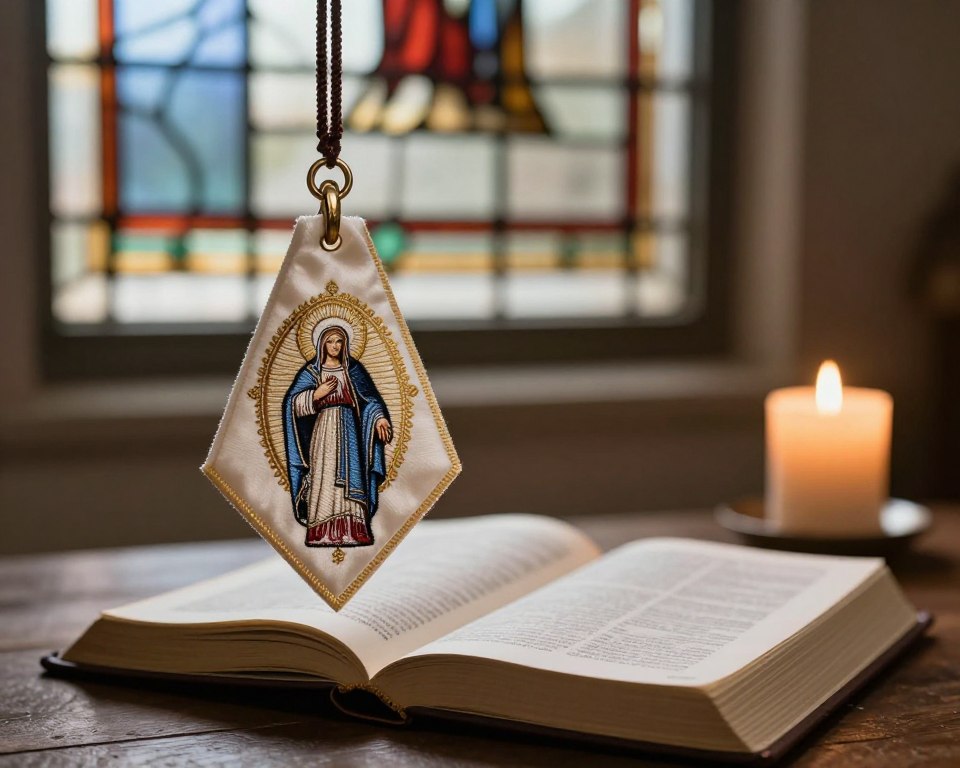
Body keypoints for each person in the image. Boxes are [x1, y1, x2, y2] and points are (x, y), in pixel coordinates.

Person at [282, 321, 392, 548]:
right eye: (330, 342)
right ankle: (322, 531)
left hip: (350, 430)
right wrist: (315, 394)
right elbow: (292, 404)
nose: (334, 346)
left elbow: (370, 399)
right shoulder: (312, 372)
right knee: (326, 474)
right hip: (324, 429)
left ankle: (352, 530)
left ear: (345, 344)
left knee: (352, 475)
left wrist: (379, 417)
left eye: (339, 341)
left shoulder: (353, 370)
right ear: (322, 345)